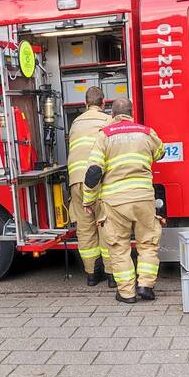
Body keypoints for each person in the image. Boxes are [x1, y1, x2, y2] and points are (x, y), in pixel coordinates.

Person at [82, 97, 164, 303]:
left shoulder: (104, 136)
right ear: (132, 113)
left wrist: (88, 201)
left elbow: (93, 172)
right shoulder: (146, 132)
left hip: (115, 201)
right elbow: (160, 153)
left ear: (112, 115)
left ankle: (127, 293)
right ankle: (146, 285)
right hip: (144, 198)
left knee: (119, 247)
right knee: (148, 242)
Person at [66, 86, 112, 286]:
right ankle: (111, 275)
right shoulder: (108, 120)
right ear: (104, 102)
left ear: (85, 104)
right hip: (99, 181)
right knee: (106, 226)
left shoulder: (75, 123)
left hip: (76, 181)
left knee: (85, 229)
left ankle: (92, 275)